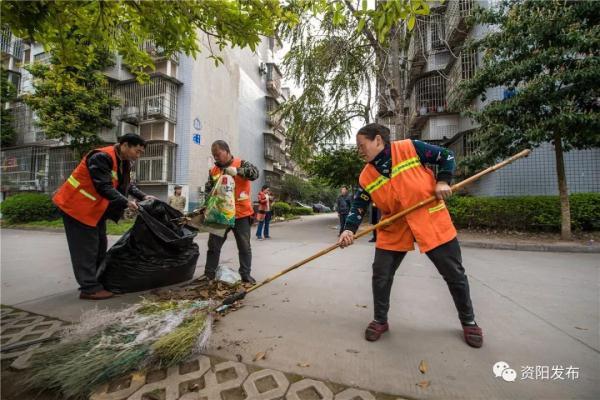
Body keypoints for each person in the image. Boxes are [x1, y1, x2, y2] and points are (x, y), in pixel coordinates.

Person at [338, 123, 483, 348]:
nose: (360, 151)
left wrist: (443, 180)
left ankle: (469, 321)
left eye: (362, 145)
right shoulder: (366, 175)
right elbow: (359, 204)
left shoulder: (410, 148)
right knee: (381, 274)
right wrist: (348, 229)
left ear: (378, 140)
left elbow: (447, 156)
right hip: (395, 226)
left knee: (454, 273)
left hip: (430, 220)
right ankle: (380, 320)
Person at [53, 134, 153, 300]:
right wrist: (126, 202)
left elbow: (127, 184)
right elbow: (103, 186)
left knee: (100, 246)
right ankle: (89, 288)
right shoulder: (101, 157)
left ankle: (96, 281)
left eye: (141, 152)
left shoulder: (124, 162)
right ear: (125, 145)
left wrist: (143, 196)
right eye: (137, 151)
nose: (138, 155)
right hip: (76, 207)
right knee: (86, 249)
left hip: (94, 210)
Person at [204, 140, 259, 283]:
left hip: (241, 214)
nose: (216, 158)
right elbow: (208, 190)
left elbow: (255, 174)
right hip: (220, 215)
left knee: (244, 247)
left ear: (227, 151)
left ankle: (245, 274)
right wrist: (206, 206)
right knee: (213, 246)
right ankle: (209, 274)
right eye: (214, 155)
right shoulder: (214, 171)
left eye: (218, 154)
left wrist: (238, 171)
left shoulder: (242, 163)